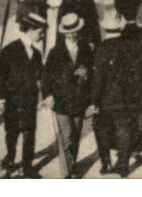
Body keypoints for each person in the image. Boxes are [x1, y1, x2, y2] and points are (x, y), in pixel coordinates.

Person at [89, 7, 142, 176]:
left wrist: (94, 100)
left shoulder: (101, 49)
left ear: (104, 27)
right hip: (127, 96)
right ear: (119, 26)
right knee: (124, 128)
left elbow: (98, 78)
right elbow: (137, 73)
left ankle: (106, 163)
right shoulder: (130, 47)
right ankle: (123, 164)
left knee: (102, 127)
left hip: (107, 97)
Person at [0, 15, 47, 177]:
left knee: (29, 132)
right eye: (40, 32)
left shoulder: (37, 54)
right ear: (30, 30)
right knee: (12, 131)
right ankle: (10, 158)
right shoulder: (10, 50)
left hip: (30, 100)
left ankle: (27, 165)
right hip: (12, 100)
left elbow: (41, 77)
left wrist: (44, 96)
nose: (42, 35)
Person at [44, 12, 94, 177]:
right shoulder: (55, 52)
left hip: (80, 100)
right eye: (69, 32)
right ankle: (67, 173)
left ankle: (72, 165)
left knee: (76, 134)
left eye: (75, 31)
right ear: (64, 32)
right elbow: (46, 77)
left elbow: (93, 74)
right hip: (62, 101)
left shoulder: (86, 49)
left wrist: (86, 74)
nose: (73, 34)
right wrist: (48, 95)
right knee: (66, 136)